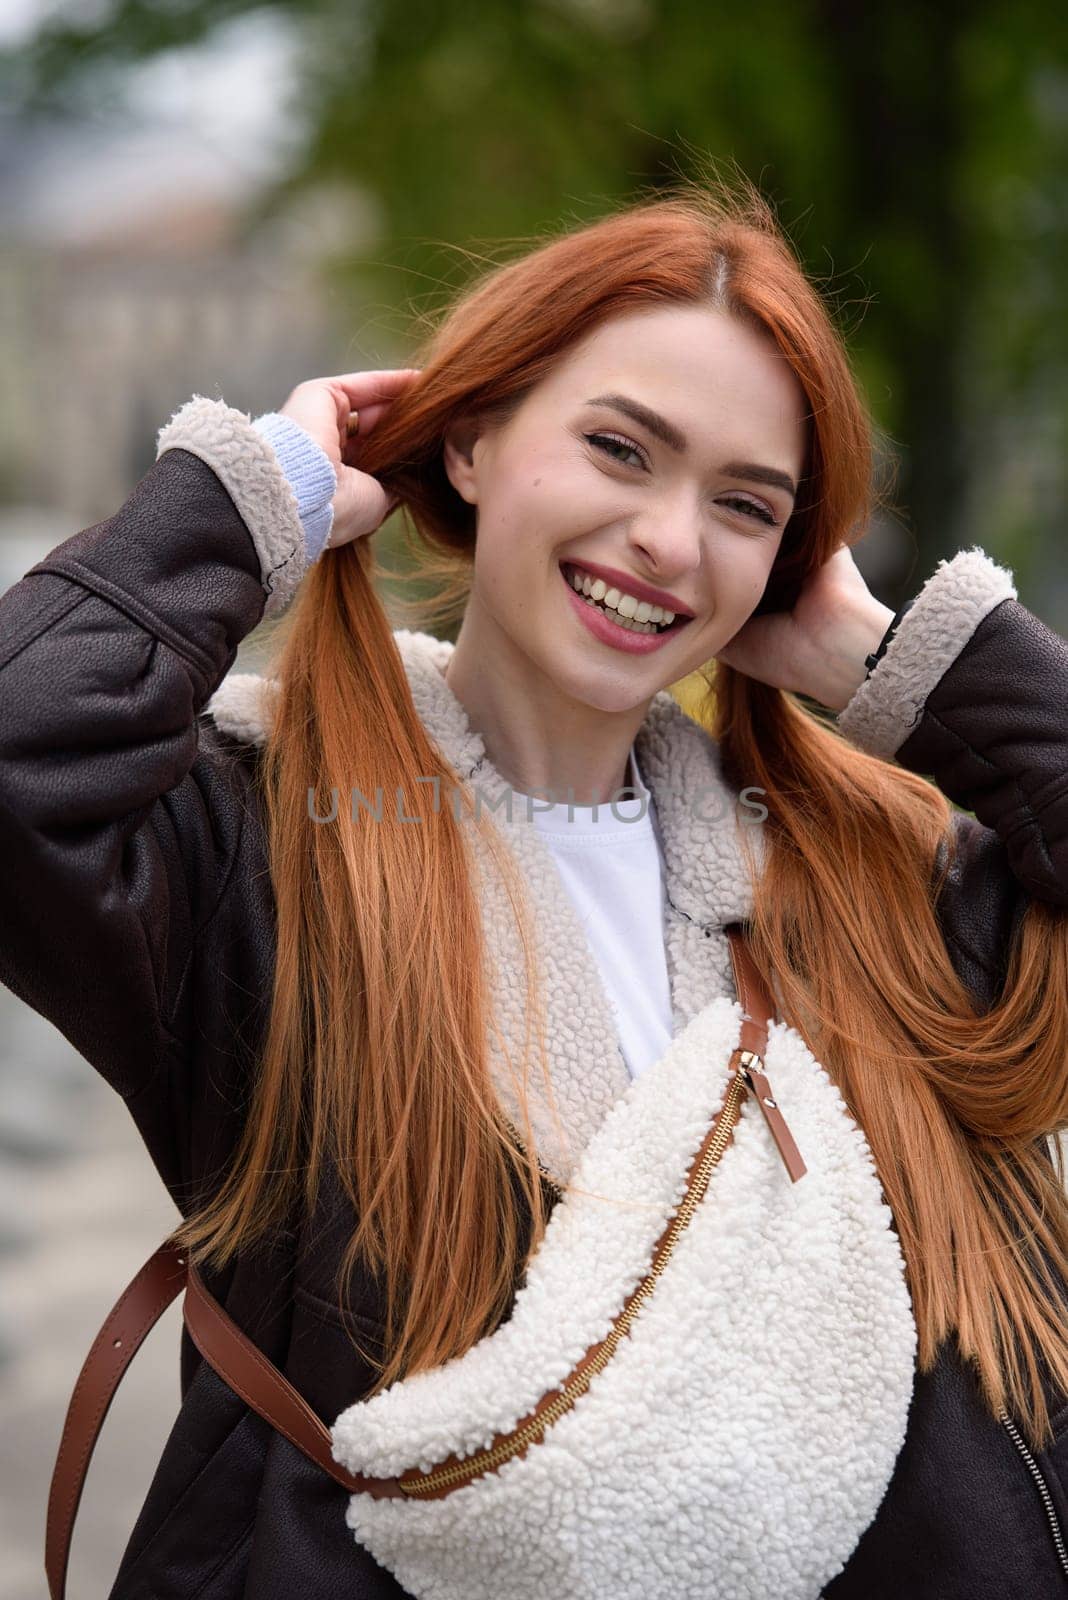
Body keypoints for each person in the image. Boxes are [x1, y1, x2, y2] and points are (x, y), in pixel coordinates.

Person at [3, 179, 1068, 1599]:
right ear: (478, 435)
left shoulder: (871, 875)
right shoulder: (256, 839)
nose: (672, 543)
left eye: (746, 506)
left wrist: (890, 666)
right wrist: (256, 500)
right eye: (621, 448)